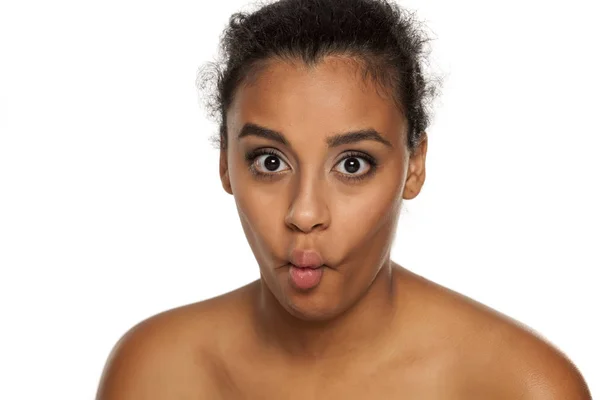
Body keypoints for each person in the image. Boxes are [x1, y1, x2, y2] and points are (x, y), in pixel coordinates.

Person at [96, 0, 591, 398]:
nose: (305, 213)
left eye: (352, 164)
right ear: (226, 162)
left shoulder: (519, 386)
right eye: (270, 161)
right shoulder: (153, 375)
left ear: (413, 164)